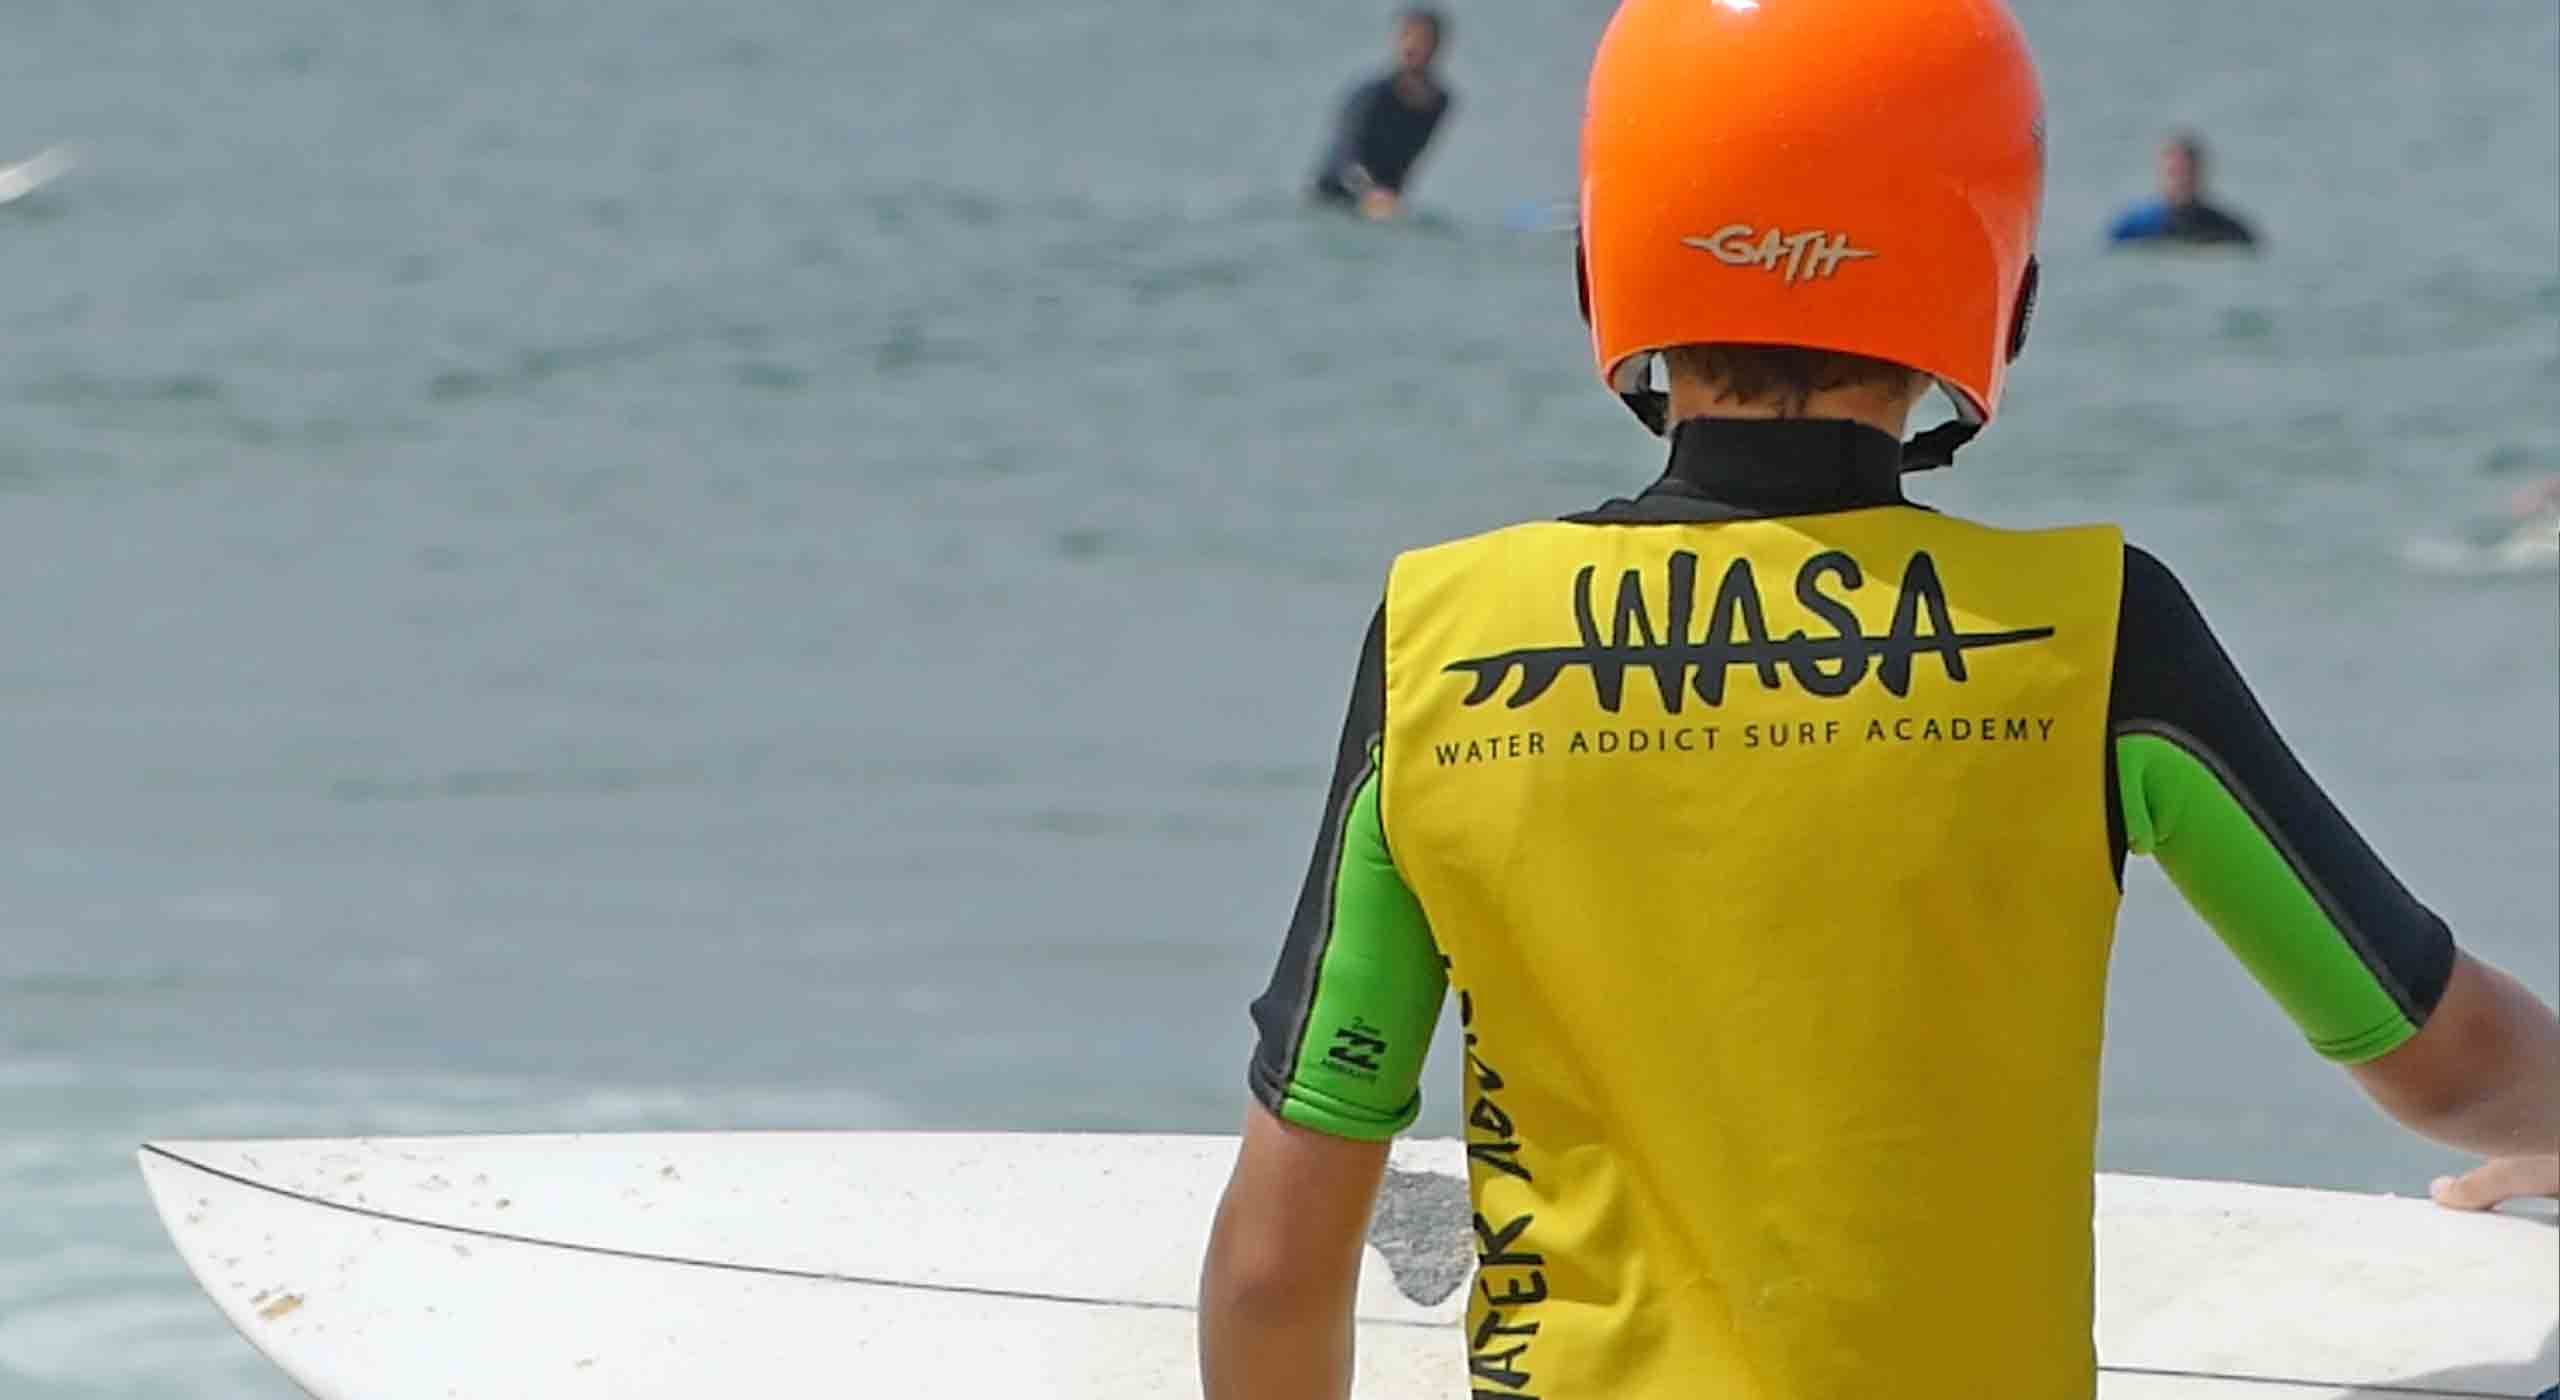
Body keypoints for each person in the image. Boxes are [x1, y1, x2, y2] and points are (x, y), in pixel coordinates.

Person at [1201, 2, 2560, 1397]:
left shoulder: (1445, 643)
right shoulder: (2093, 636)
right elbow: (2443, 1062)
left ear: (1600, 276)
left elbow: (1272, 1270)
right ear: (2005, 295)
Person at [1309, 8, 1454, 221]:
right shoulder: (1370, 95)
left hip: (1388, 203)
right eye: (1406, 36)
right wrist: (1370, 193)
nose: (1412, 46)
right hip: (1335, 197)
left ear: (1438, 46)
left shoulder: (1440, 101)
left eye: (1422, 40)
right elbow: (1344, 155)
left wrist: (1389, 197)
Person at [2110, 131, 2259, 248]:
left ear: (2201, 172)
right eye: (2174, 172)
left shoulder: (2229, 229)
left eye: (2187, 171)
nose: (2181, 180)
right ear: (2160, 172)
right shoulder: (2131, 228)